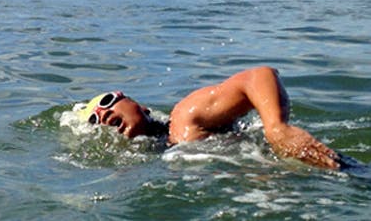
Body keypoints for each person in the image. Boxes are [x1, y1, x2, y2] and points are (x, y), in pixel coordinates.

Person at [85, 66, 342, 169]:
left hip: (314, 169)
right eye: (94, 120)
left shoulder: (185, 117)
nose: (103, 114)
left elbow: (259, 75)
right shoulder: (153, 156)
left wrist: (276, 127)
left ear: (141, 106)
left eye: (107, 101)